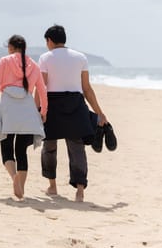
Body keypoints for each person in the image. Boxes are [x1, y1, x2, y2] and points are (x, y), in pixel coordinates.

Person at [38, 25, 108, 202]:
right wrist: (99, 112)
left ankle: (52, 187)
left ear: (49, 41)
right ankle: (80, 191)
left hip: (52, 104)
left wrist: (37, 109)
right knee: (77, 148)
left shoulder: (45, 58)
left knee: (49, 147)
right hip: (75, 104)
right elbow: (87, 89)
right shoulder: (80, 58)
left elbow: (41, 88)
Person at [0, 34, 48, 199]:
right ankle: (21, 187)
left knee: (6, 147)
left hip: (8, 108)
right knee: (21, 150)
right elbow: (43, 92)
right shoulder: (34, 66)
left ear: (11, 47)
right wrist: (43, 113)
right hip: (27, 110)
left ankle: (14, 178)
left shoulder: (4, 61)